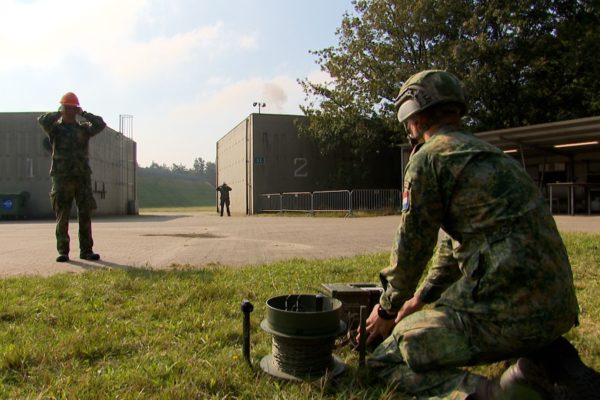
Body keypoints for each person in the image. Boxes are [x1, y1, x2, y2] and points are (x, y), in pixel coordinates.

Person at [358, 70, 598, 399]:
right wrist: (419, 300)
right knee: (428, 319)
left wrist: (386, 311)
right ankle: (550, 361)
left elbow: (412, 248)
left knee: (386, 358)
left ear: (414, 111)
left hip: (506, 310)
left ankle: (493, 392)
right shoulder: (493, 156)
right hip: (556, 310)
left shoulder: (429, 160)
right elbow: (451, 249)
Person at [38, 92, 106, 262]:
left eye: (71, 108)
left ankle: (86, 250)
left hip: (82, 177)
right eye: (66, 107)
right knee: (63, 215)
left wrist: (83, 113)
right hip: (62, 178)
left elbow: (100, 124)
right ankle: (63, 251)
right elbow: (42, 120)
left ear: (76, 109)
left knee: (85, 214)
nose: (69, 111)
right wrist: (59, 112)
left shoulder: (83, 129)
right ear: (62, 108)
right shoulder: (55, 129)